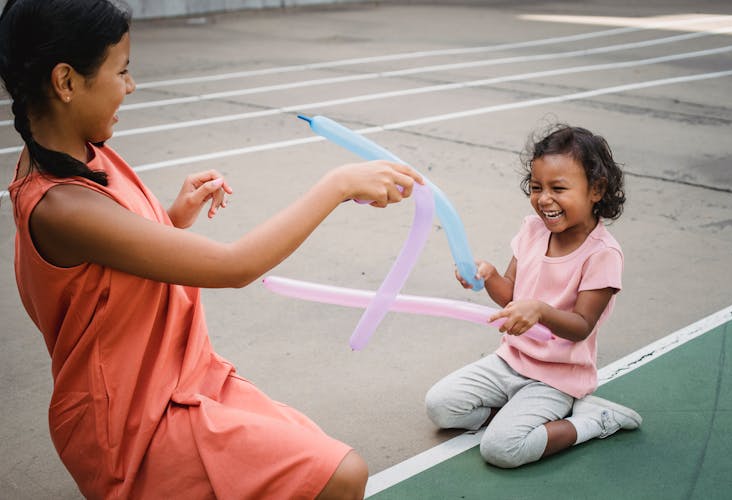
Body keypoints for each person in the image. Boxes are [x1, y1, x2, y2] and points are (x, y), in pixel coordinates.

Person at [0, 1, 423, 498]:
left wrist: (171, 217)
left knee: (321, 459)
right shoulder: (60, 205)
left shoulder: (77, 154)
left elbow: (102, 266)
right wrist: (336, 183)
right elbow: (233, 266)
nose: (130, 86)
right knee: (341, 474)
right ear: (66, 82)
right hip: (133, 421)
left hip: (182, 376)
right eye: (123, 71)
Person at [425, 124, 641, 468]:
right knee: (440, 406)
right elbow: (511, 295)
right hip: (510, 361)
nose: (544, 199)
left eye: (558, 188)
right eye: (537, 187)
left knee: (502, 450)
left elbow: (582, 325)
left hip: (558, 377)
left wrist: (540, 311)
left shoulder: (602, 254)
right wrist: (490, 276)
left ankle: (591, 421)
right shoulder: (532, 230)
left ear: (596, 190)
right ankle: (515, 411)